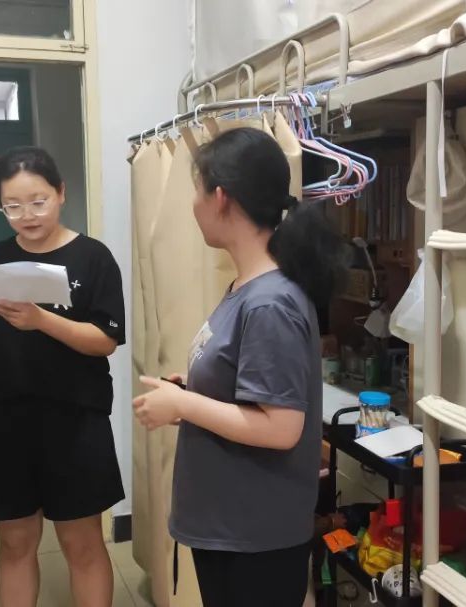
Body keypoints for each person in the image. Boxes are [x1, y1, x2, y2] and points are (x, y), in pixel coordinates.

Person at [133, 127, 348, 607]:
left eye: (197, 191)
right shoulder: (247, 288)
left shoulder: (270, 303)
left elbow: (281, 428)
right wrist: (190, 391)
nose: (193, 205)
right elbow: (247, 390)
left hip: (255, 540)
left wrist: (184, 404)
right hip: (232, 529)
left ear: (221, 197)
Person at [0, 147, 126, 607]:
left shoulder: (92, 257)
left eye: (38, 201)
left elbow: (105, 341)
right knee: (14, 542)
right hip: (4, 420)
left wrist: (40, 319)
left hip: (76, 420)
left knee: (82, 543)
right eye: (13, 206)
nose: (27, 215)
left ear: (61, 193)